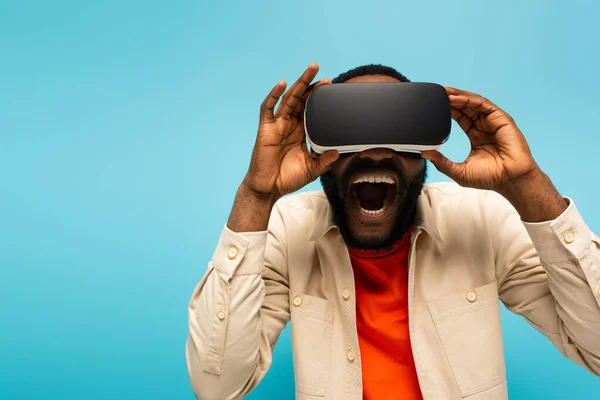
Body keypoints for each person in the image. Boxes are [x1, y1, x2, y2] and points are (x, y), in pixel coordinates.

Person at [185, 63, 600, 400]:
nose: (375, 152)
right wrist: (257, 196)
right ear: (319, 152)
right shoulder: (286, 229)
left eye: (397, 134)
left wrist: (526, 184)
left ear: (423, 155)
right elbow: (217, 387)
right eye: (351, 134)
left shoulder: (481, 221)